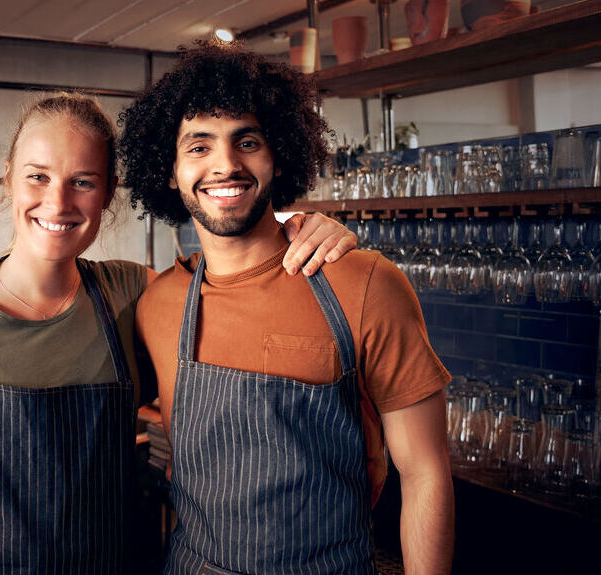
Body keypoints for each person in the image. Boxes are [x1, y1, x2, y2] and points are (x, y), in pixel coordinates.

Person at [0, 93, 357, 574]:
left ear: (109, 192)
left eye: (82, 182)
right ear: (8, 175)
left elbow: (242, 283)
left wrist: (307, 228)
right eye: (38, 176)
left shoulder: (136, 295)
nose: (58, 201)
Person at [119, 45, 454, 575]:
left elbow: (426, 474)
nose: (226, 164)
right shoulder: (158, 302)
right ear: (169, 170)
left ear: (279, 154)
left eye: (246, 141)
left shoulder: (364, 283)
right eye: (199, 147)